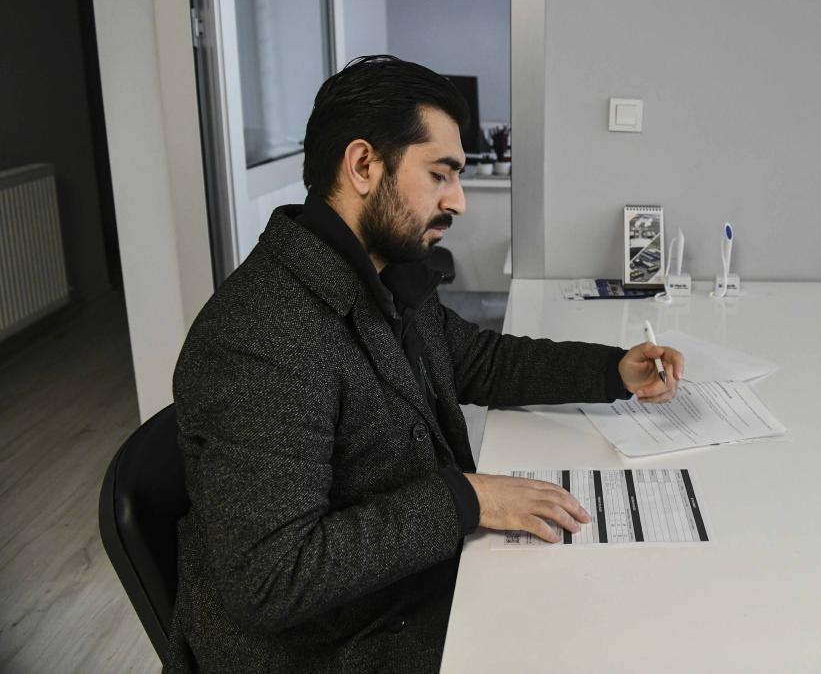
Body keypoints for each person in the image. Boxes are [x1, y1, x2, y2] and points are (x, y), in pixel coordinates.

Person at [164, 56, 684, 673]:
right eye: (440, 175)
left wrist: (613, 371)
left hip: (394, 595)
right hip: (330, 648)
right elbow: (274, 578)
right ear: (363, 166)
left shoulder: (378, 274)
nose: (457, 200)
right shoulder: (262, 334)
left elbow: (483, 361)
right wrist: (465, 498)